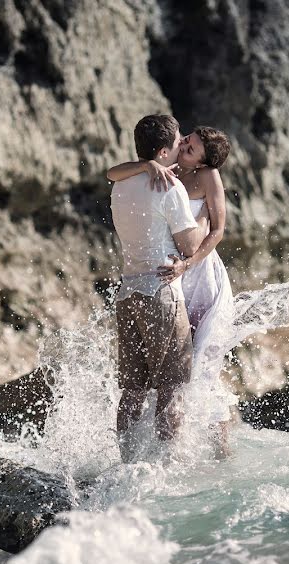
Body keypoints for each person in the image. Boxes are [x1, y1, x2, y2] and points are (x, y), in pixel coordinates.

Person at [107, 126, 234, 456]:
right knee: (169, 377)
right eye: (186, 140)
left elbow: (216, 232)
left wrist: (187, 264)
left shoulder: (208, 178)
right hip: (168, 280)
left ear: (203, 161)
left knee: (202, 366)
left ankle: (219, 449)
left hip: (198, 273)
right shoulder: (167, 171)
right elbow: (113, 172)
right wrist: (147, 165)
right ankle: (160, 451)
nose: (184, 146)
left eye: (191, 148)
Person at [109, 115, 199, 462]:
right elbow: (189, 247)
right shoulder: (171, 188)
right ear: (164, 151)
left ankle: (127, 463)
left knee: (132, 390)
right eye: (178, 142)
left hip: (127, 293)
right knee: (172, 388)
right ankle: (165, 470)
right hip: (160, 294)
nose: (182, 146)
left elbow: (112, 172)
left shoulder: (122, 184)